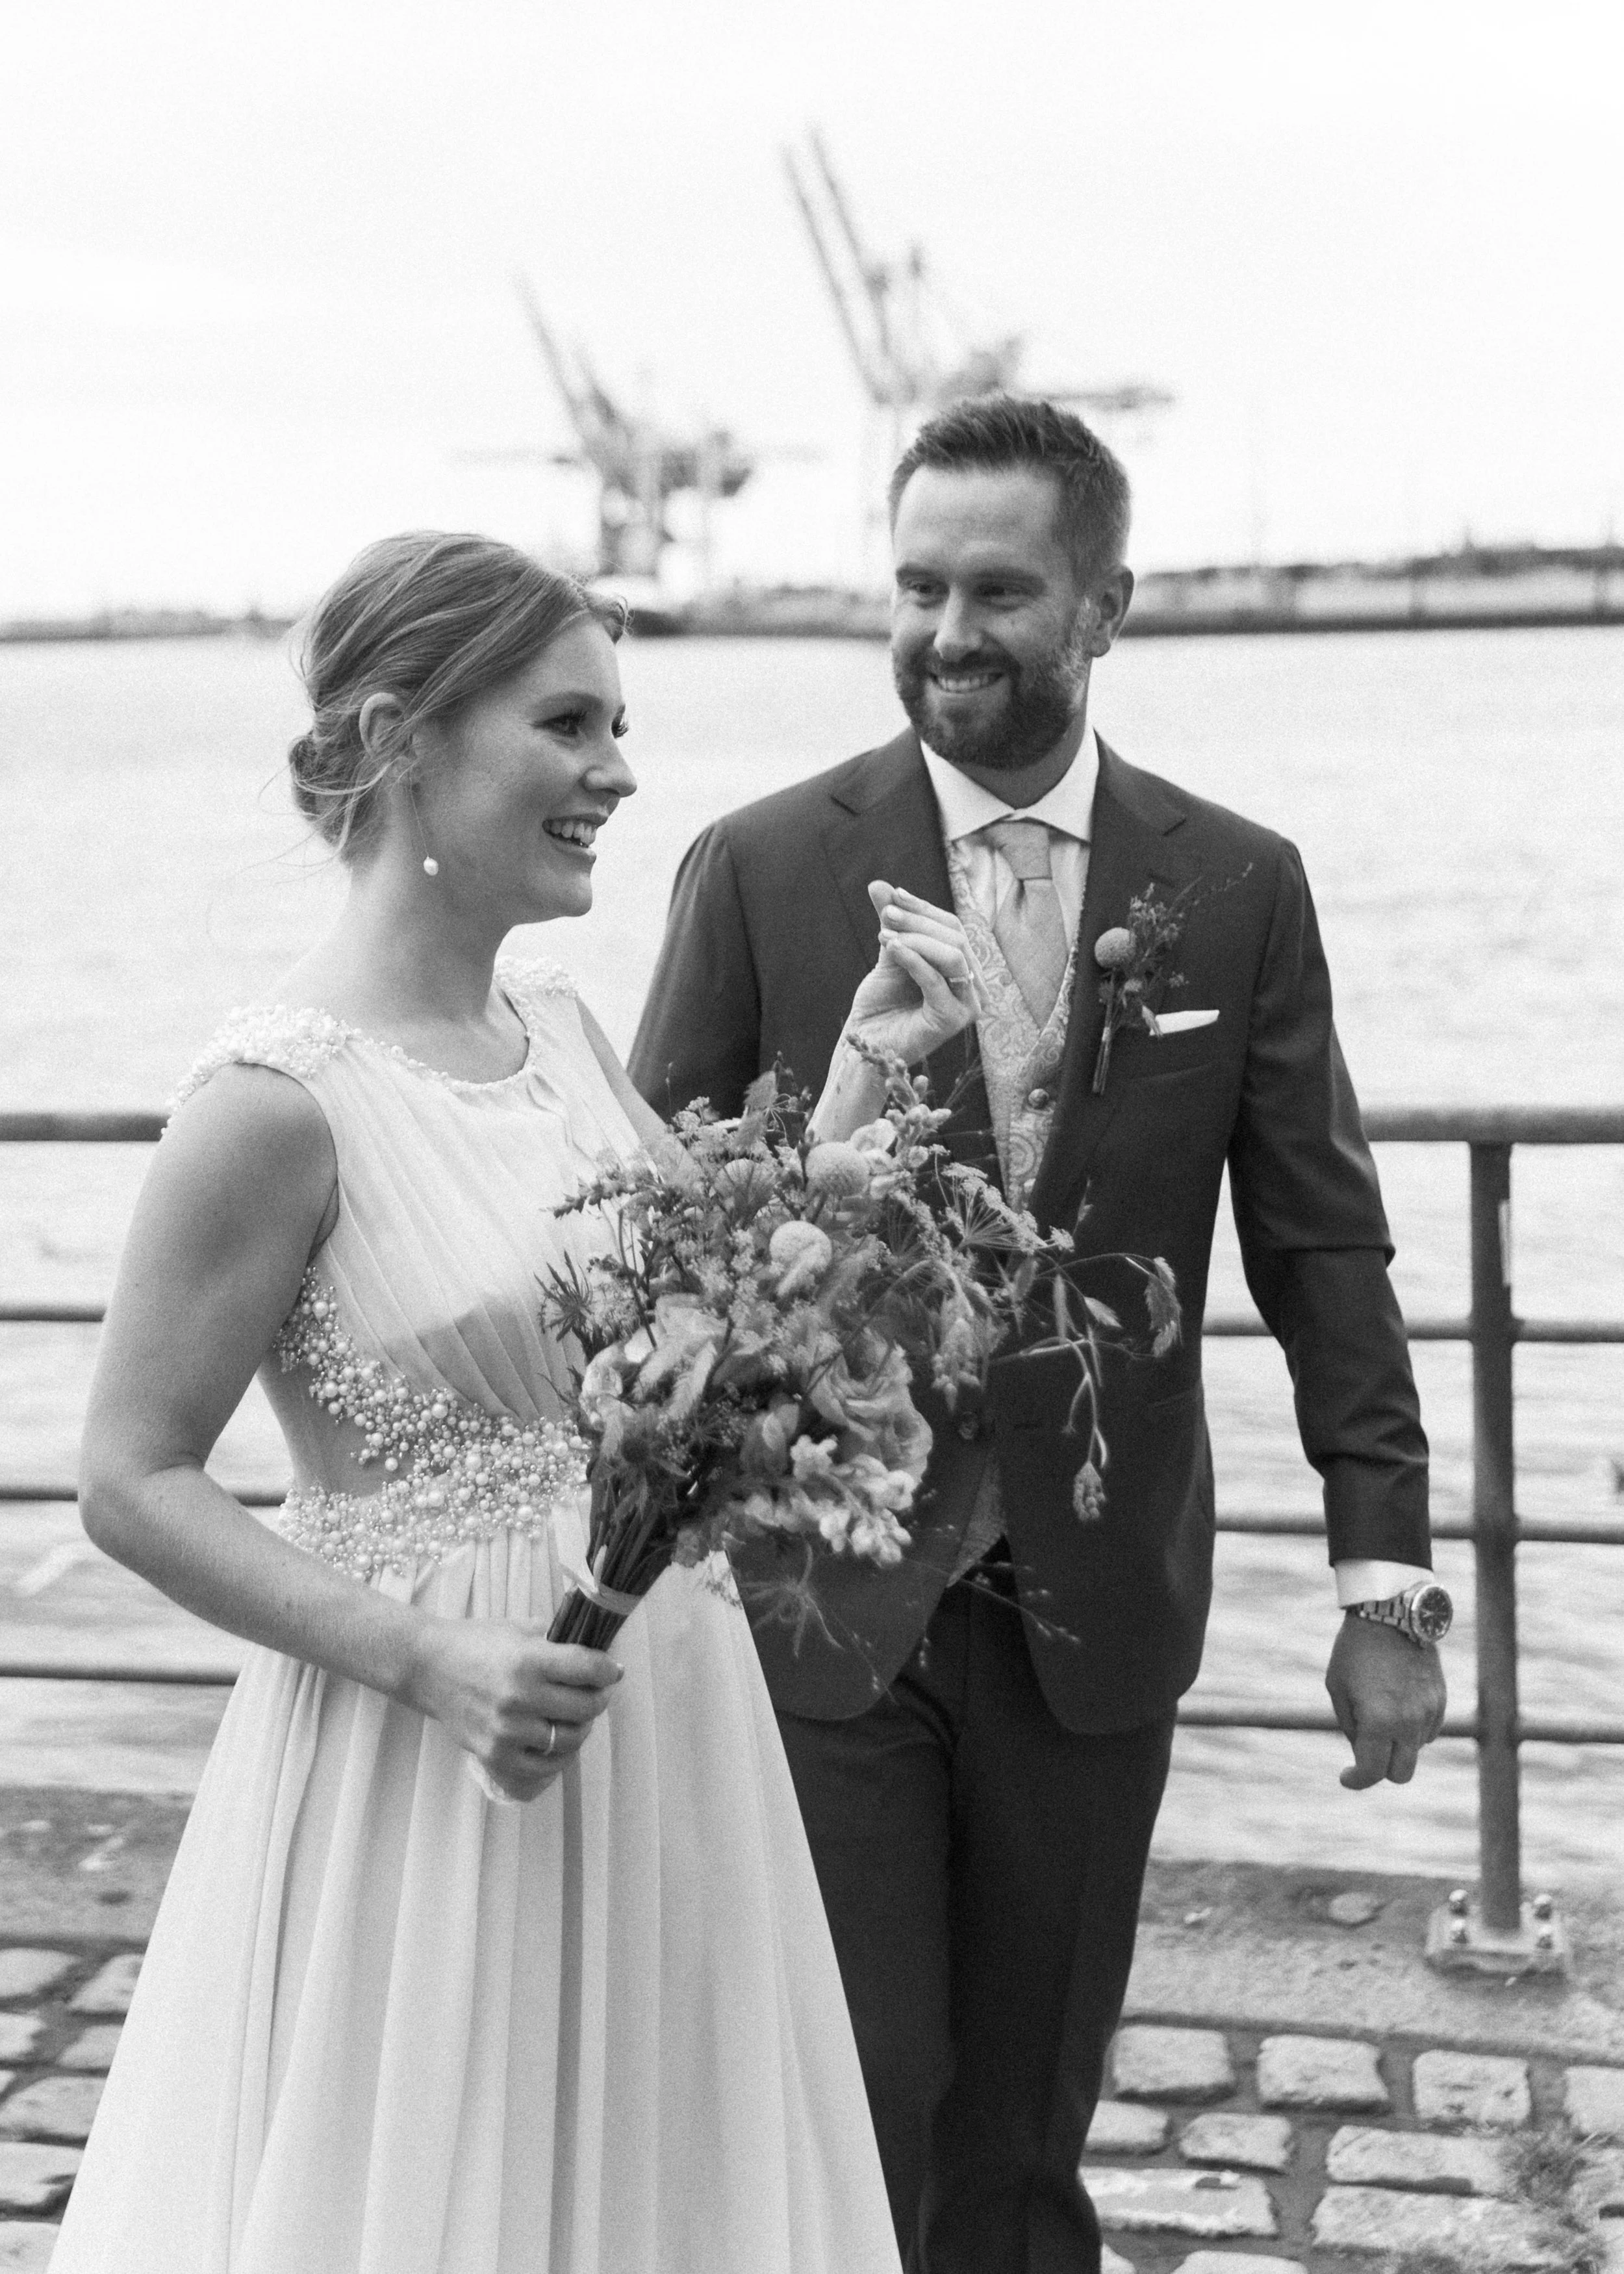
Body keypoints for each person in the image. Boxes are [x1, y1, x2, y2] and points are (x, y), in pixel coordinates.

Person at [54, 530, 985, 2274]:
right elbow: (127, 1474)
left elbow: (716, 1324)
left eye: (617, 724)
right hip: (429, 1746)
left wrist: (870, 1061)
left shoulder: (560, 1032)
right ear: (408, 738)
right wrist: (433, 1659)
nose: (617, 771)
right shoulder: (271, 1101)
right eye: (569, 723)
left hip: (656, 1703)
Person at [628, 395, 1451, 2274]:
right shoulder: (758, 865)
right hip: (821, 1605)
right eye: (914, 584)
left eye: (998, 589)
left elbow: (1322, 1243)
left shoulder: (1233, 883)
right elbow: (660, 1223)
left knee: (1024, 2131)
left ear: (1106, 606)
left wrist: (1383, 1587)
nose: (945, 632)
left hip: (1094, 1601)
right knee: (858, 2092)